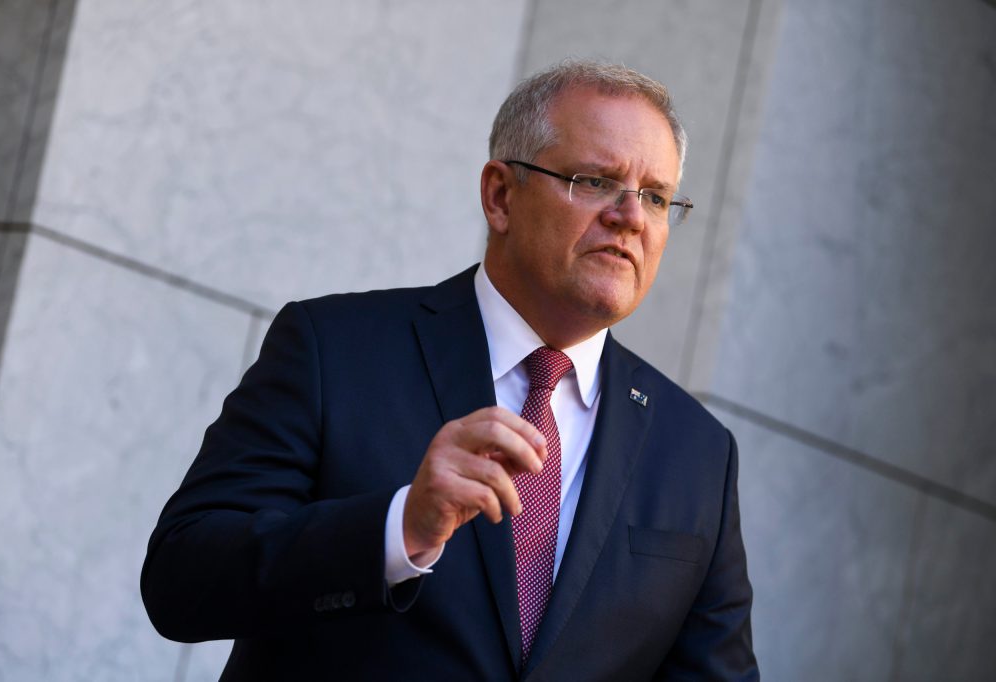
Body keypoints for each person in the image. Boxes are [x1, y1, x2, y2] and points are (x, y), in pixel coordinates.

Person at [142, 60, 758, 681]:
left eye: (655, 196)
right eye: (595, 181)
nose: (630, 216)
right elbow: (182, 579)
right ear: (500, 196)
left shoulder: (698, 453)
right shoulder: (335, 350)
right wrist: (399, 528)